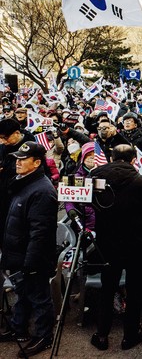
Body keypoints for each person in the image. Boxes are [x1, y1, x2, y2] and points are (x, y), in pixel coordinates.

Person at [89, 144, 142, 351]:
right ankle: (130, 335)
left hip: (107, 244)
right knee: (134, 292)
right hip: (135, 245)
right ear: (134, 160)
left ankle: (101, 335)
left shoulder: (95, 176)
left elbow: (83, 199)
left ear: (111, 157)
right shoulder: (139, 180)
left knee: (107, 290)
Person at [0, 142, 58, 356]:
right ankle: (18, 328)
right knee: (22, 294)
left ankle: (43, 336)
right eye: (17, 158)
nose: (18, 162)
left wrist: (31, 263)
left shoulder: (42, 190)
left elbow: (40, 233)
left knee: (39, 297)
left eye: (23, 159)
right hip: (17, 254)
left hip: (32, 258)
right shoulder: (24, 183)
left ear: (36, 162)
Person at [0, 118, 35, 246]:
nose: (3, 142)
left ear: (16, 133)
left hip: (19, 199)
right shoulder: (4, 147)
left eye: (5, 138)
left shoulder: (31, 148)